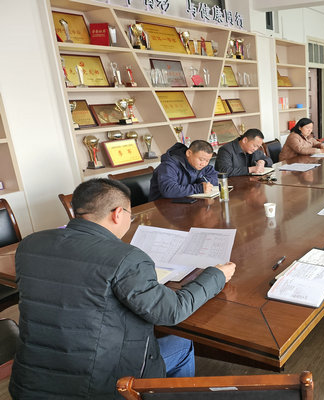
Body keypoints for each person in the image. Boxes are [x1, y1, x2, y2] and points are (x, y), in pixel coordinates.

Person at [10, 179, 236, 399]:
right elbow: (171, 311)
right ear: (118, 213)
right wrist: (216, 276)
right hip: (103, 388)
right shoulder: (126, 258)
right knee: (182, 343)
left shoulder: (30, 244)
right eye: (130, 214)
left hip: (29, 384)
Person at [149, 139, 217, 201]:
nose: (204, 164)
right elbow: (168, 190)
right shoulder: (169, 165)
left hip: (186, 202)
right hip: (161, 205)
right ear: (189, 153)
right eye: (201, 159)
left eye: (207, 161)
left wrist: (203, 182)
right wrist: (199, 188)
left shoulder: (201, 165)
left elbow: (216, 177)